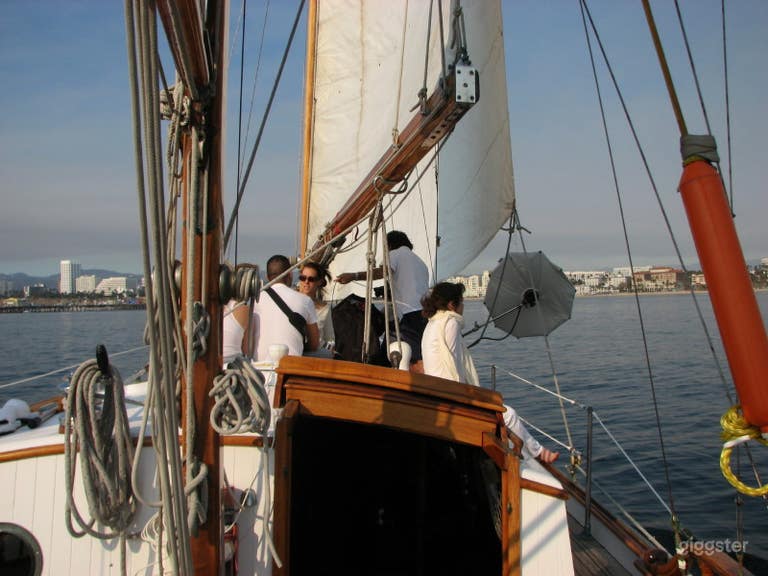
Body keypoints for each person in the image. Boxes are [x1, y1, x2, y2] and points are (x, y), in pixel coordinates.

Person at [421, 282, 559, 464]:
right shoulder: (450, 322)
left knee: (501, 409)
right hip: (450, 396)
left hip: (438, 393)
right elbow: (453, 366)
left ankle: (534, 453)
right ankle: (539, 454)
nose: (464, 306)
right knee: (507, 413)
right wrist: (470, 397)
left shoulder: (432, 323)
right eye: (461, 302)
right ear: (451, 305)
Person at [336, 230, 429, 369]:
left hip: (406, 317)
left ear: (389, 245)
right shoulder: (421, 263)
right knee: (414, 357)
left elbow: (381, 272)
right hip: (422, 316)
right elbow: (409, 287)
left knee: (392, 355)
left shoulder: (394, 254)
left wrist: (353, 276)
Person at [252, 255, 319, 361]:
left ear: (268, 277)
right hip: (290, 368)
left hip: (259, 369)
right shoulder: (306, 301)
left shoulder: (254, 301)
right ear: (290, 275)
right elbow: (314, 344)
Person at [297, 261, 334, 354]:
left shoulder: (325, 309)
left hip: (315, 356)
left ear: (319, 282)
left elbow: (330, 339)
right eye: (303, 278)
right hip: (294, 353)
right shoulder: (290, 302)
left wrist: (328, 351)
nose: (306, 282)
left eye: (311, 279)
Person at [222, 299, 250, 363]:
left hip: (232, 365)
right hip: (237, 365)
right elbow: (245, 350)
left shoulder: (240, 308)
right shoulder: (241, 308)